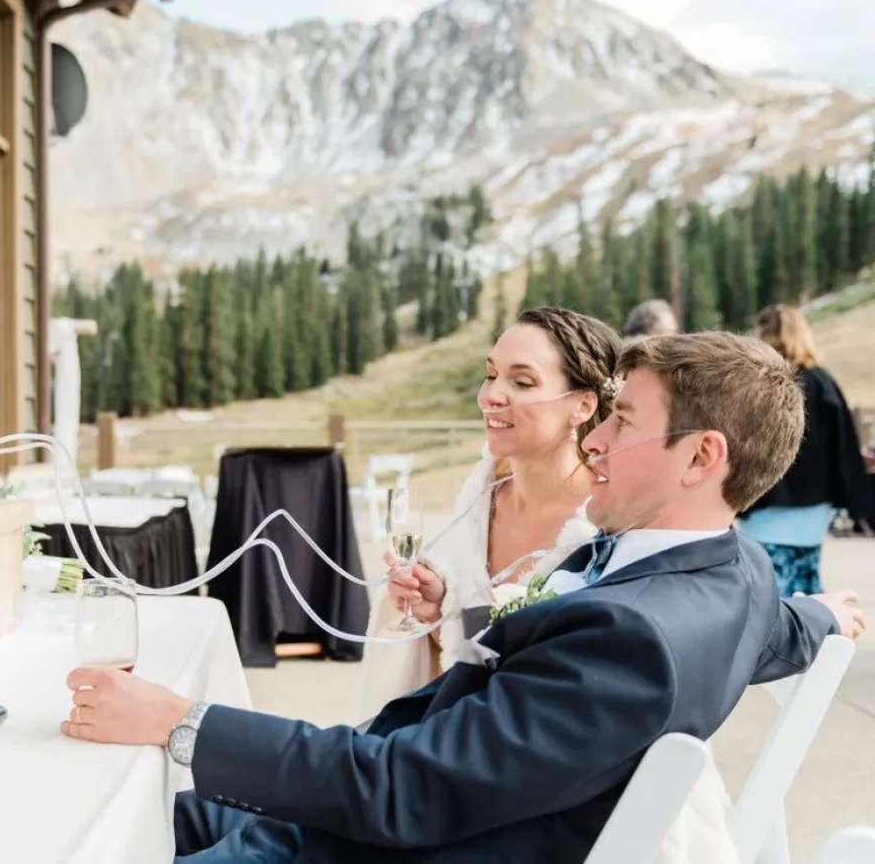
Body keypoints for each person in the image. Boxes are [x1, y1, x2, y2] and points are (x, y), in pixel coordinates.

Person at [60, 333, 866, 864]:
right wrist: (831, 615)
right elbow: (782, 632)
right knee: (116, 816)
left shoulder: (633, 636)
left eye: (621, 420)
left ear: (701, 457)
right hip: (376, 803)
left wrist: (178, 721)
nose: (597, 442)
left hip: (386, 836)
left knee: (97, 829)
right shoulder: (742, 574)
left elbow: (402, 790)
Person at [358, 307, 615, 716]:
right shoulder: (479, 495)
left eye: (523, 381)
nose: (490, 396)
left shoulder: (605, 519)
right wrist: (437, 607)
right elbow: (468, 644)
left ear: (583, 405)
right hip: (460, 725)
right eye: (491, 374)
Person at [738, 304, 875, 595]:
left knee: (766, 586)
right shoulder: (822, 382)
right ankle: (808, 632)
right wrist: (855, 498)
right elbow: (844, 447)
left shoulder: (758, 384)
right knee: (805, 578)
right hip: (814, 506)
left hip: (764, 501)